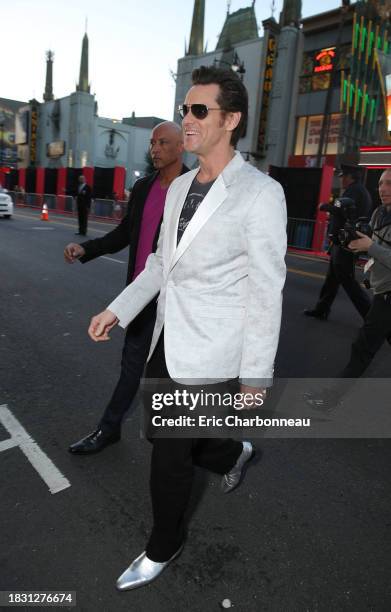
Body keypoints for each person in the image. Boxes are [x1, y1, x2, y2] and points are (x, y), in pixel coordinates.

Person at [87, 65, 287, 590]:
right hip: (165, 340)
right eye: (185, 109)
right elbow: (159, 263)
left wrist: (255, 379)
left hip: (213, 352)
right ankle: (234, 450)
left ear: (231, 119)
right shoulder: (177, 189)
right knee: (169, 435)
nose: (187, 119)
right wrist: (119, 309)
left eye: (200, 110)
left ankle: (164, 544)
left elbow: (267, 292)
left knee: (170, 453)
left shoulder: (260, 194)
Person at [65, 122, 187, 454]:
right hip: (139, 294)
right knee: (132, 366)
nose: (155, 148)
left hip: (175, 303)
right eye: (152, 143)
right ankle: (109, 430)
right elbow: (124, 234)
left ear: (181, 147)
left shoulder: (195, 191)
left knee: (171, 375)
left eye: (163, 142)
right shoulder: (144, 186)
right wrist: (86, 249)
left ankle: (211, 447)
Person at [305, 169, 391, 409]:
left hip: (388, 298)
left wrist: (370, 247)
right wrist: (356, 245)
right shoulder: (378, 214)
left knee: (362, 349)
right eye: (381, 183)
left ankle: (330, 399)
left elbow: (376, 248)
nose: (383, 189)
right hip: (382, 292)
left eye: (390, 184)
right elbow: (373, 247)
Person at [304, 165, 372, 320]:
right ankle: (322, 309)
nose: (341, 179)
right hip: (341, 243)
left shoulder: (355, 191)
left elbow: (343, 209)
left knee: (349, 283)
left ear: (351, 177)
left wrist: (324, 206)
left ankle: (371, 319)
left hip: (346, 245)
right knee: (331, 280)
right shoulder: (357, 190)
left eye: (343, 176)